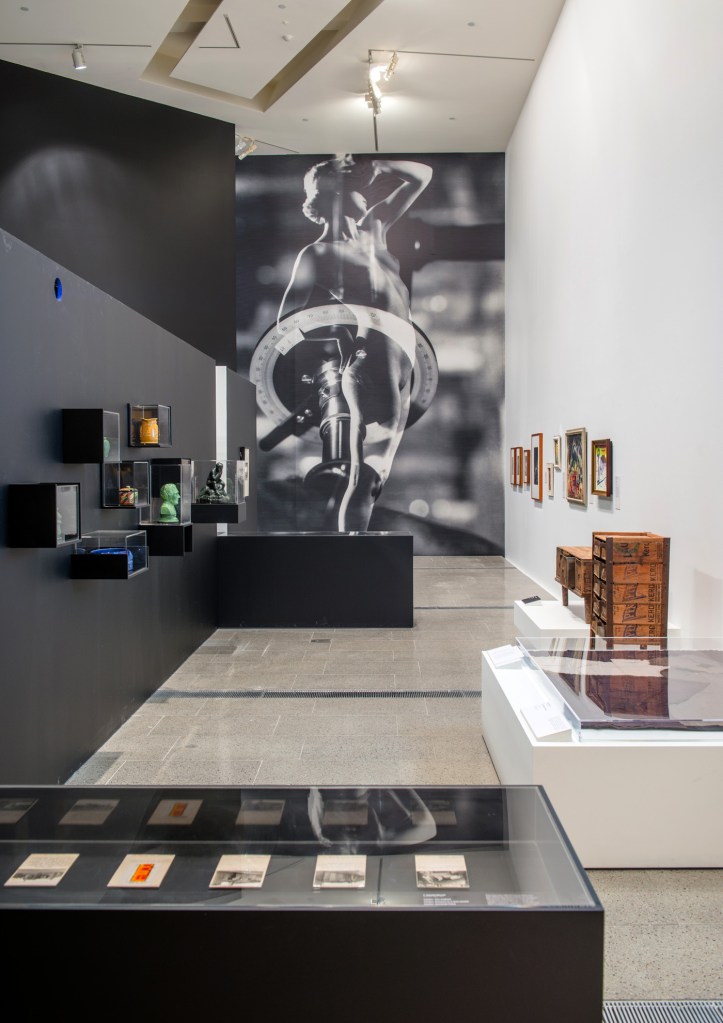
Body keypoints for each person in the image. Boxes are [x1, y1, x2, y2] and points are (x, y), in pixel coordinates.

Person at [278, 155, 432, 531]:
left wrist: (378, 164)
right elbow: (287, 329)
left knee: (371, 481)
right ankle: (348, 557)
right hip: (368, 370)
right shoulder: (317, 254)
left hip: (402, 372)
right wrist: (327, 362)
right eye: (355, 187)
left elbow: (421, 176)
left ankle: (340, 543)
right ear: (334, 192)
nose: (366, 194)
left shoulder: (376, 228)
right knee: (362, 478)